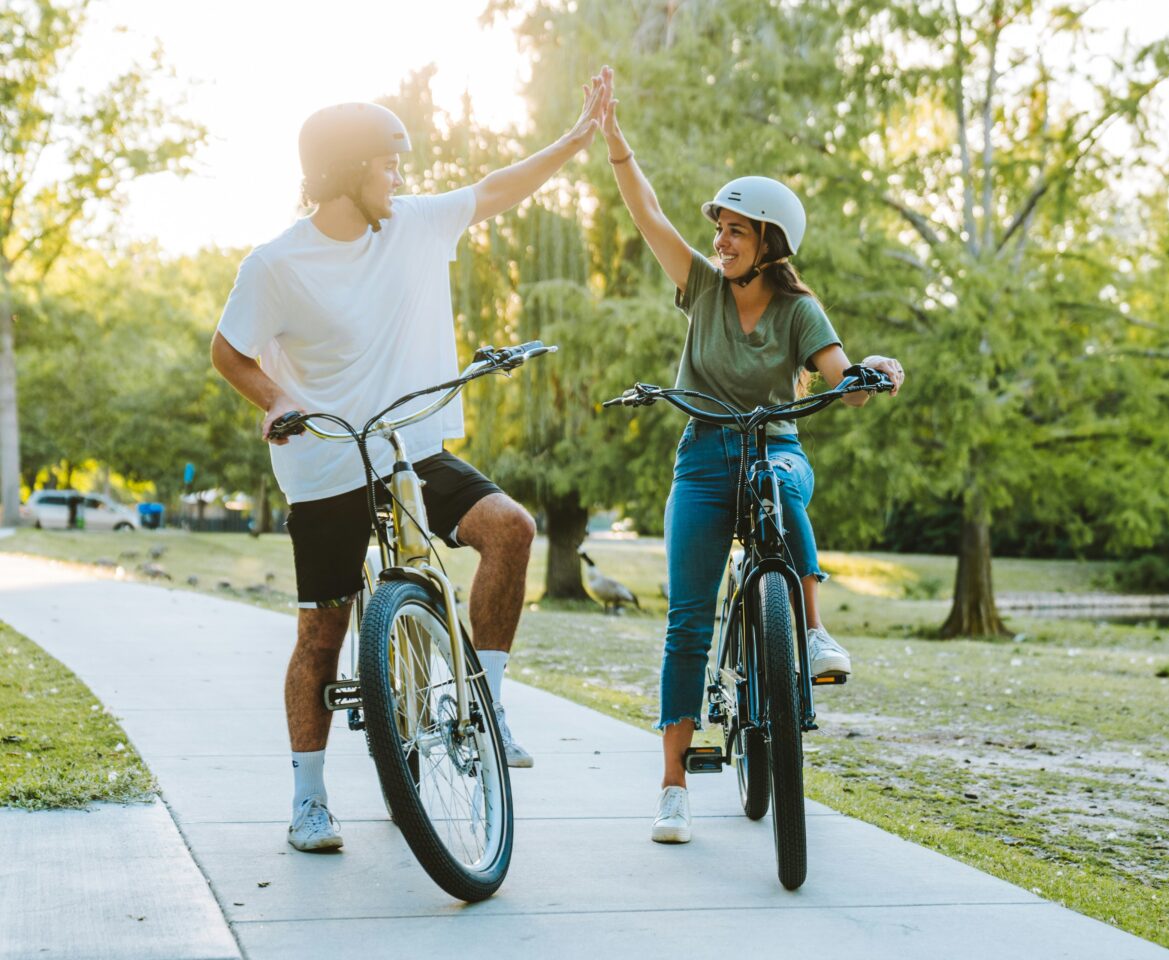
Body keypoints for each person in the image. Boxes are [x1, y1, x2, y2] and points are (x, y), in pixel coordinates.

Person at [211, 75, 610, 853]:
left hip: (412, 451)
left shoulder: (415, 226)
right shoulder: (276, 266)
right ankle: (308, 802)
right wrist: (273, 398)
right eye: (388, 164)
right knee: (321, 637)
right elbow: (228, 350)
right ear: (346, 172)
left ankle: (483, 712)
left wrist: (572, 139)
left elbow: (499, 187)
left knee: (511, 529)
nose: (400, 176)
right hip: (328, 466)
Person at [596, 67, 905, 844]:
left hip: (775, 450)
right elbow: (650, 216)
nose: (720, 240)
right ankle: (673, 786)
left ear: (768, 242)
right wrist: (615, 145)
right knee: (687, 623)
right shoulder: (699, 286)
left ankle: (813, 628)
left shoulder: (800, 309)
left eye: (736, 229)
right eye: (720, 228)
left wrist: (875, 372)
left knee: (779, 478)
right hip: (702, 458)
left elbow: (844, 384)